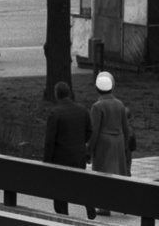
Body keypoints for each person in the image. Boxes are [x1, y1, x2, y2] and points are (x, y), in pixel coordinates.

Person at [43, 81, 95, 220]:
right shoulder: (82, 110)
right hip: (78, 156)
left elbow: (49, 141)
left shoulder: (55, 113)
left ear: (56, 95)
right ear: (70, 93)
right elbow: (90, 131)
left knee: (60, 188)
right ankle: (90, 208)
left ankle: (63, 217)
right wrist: (79, 143)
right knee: (79, 184)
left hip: (61, 158)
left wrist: (46, 162)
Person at [87, 71, 132, 216]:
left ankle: (105, 207)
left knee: (102, 173)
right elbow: (126, 128)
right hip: (118, 141)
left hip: (104, 143)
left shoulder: (97, 106)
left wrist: (89, 150)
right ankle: (125, 204)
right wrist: (125, 146)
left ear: (97, 89)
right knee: (120, 172)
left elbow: (93, 131)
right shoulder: (120, 104)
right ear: (112, 87)